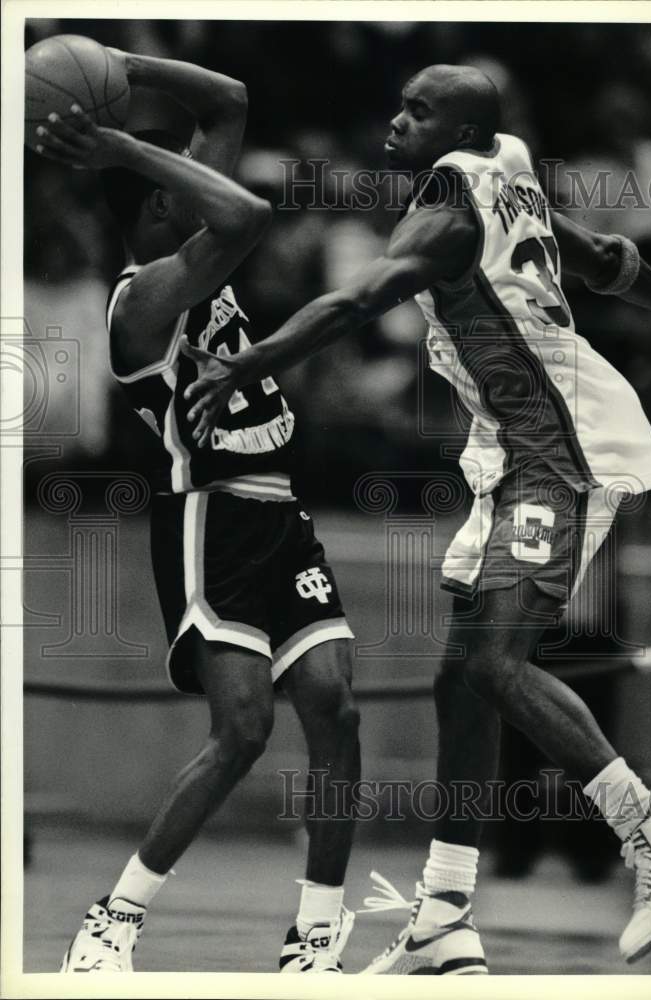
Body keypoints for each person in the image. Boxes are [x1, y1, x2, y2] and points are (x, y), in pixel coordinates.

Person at [179, 64, 651, 973]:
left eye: (421, 113)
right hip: (517, 443)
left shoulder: (445, 218)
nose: (396, 122)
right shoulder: (510, 162)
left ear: (467, 134)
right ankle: (445, 910)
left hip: (559, 444)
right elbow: (603, 257)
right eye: (400, 104)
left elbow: (355, 301)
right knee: (461, 678)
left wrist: (244, 368)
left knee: (496, 661)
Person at [35, 48, 359, 974]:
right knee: (245, 732)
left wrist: (115, 63)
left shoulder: (194, 247)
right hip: (208, 521)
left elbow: (234, 96)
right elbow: (248, 212)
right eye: (176, 180)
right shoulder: (141, 302)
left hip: (283, 513)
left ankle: (315, 944)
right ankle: (110, 926)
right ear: (156, 208)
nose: (193, 182)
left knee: (336, 711)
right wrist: (121, 150)